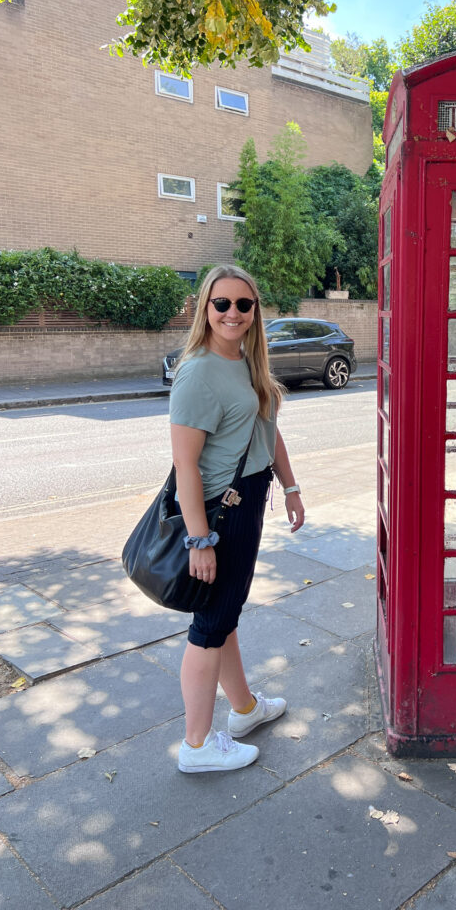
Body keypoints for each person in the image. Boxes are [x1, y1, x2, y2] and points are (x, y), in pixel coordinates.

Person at [169, 265, 304, 773]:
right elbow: (185, 463)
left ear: (255, 312)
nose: (232, 313)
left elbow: (268, 430)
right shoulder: (200, 370)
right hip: (218, 512)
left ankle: (244, 709)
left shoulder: (247, 363)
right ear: (205, 308)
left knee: (225, 614)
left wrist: (290, 487)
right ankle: (197, 746)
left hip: (248, 499)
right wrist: (198, 539)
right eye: (221, 303)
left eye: (242, 305)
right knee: (210, 624)